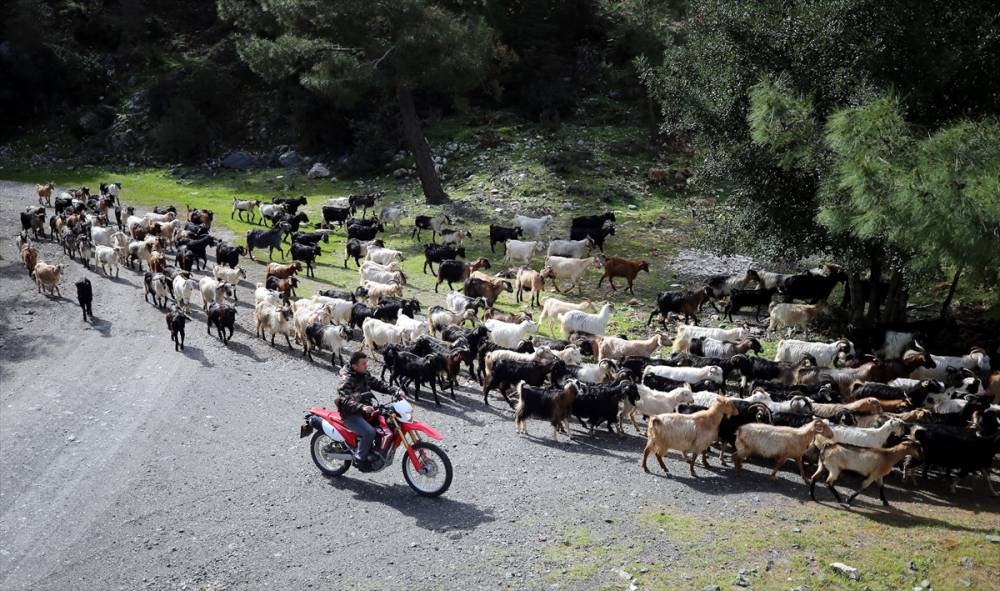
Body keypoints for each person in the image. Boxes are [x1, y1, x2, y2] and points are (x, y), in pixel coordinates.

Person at [335, 351, 397, 465]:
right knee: (369, 432)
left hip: (366, 410)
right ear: (354, 366)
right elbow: (344, 400)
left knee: (388, 423)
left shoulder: (364, 373)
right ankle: (359, 458)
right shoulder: (347, 380)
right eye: (363, 364)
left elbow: (377, 384)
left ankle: (375, 451)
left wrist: (395, 391)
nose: (366, 366)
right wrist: (362, 407)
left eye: (366, 363)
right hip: (350, 414)